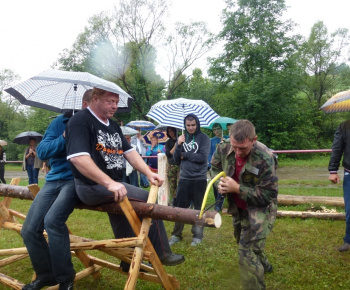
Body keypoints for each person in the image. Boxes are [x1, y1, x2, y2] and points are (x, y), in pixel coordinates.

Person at [65, 87, 185, 270]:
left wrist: (148, 172)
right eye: (110, 101)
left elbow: (129, 152)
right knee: (147, 201)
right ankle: (163, 253)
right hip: (91, 187)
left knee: (120, 212)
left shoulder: (112, 125)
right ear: (95, 99)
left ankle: (127, 260)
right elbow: (78, 158)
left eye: (116, 102)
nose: (115, 106)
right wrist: (110, 183)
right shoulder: (80, 121)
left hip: (113, 186)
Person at [21, 89, 93, 290]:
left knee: (52, 221)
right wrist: (64, 135)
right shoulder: (58, 122)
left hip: (75, 180)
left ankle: (65, 279)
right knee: (28, 230)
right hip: (53, 180)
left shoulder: (93, 123)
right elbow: (42, 151)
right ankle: (46, 275)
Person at [211, 119, 278, 290]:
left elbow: (268, 195)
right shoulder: (223, 147)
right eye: (235, 147)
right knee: (242, 241)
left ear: (254, 140)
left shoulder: (265, 158)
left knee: (246, 254)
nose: (238, 152)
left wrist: (237, 188)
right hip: (238, 209)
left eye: (243, 148)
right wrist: (220, 182)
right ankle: (265, 264)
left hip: (259, 210)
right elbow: (214, 167)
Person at [168, 114, 210, 247]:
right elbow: (175, 160)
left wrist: (184, 155)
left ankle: (197, 236)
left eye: (193, 125)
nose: (191, 128)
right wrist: (179, 145)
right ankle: (176, 235)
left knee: (199, 208)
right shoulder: (182, 138)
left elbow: (202, 157)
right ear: (185, 125)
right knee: (180, 208)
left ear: (197, 124)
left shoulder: (204, 138)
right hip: (184, 178)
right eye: (188, 125)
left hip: (199, 179)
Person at [328, 119, 350, 252]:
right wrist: (333, 170)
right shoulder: (344, 126)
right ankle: (348, 240)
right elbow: (337, 147)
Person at [207, 123, 229, 212]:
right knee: (215, 185)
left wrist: (225, 142)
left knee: (222, 184)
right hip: (215, 166)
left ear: (222, 129)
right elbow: (209, 153)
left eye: (218, 129)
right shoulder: (211, 141)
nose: (216, 131)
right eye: (214, 129)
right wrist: (209, 164)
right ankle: (217, 202)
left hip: (225, 166)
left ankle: (219, 205)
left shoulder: (227, 138)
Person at [165, 126, 180, 205]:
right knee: (172, 184)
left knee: (180, 183)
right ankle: (174, 199)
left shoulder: (181, 139)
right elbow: (168, 154)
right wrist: (175, 146)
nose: (171, 132)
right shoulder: (168, 142)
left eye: (172, 130)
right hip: (171, 165)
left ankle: (180, 199)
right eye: (169, 131)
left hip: (180, 165)